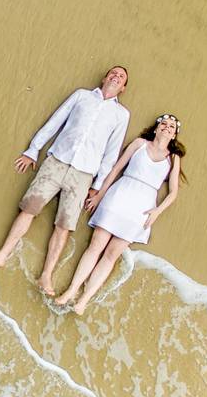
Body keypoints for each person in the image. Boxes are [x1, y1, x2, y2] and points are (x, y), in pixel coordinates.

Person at [0, 66, 131, 295]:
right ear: (104, 77)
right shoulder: (81, 95)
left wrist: (98, 186)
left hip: (83, 174)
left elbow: (112, 152)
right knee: (28, 209)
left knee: (64, 226)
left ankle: (46, 277)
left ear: (123, 87)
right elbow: (55, 121)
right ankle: (2, 255)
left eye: (121, 77)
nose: (116, 76)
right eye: (113, 73)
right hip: (57, 161)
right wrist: (33, 150)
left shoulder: (121, 115)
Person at [55, 113, 186, 314]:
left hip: (142, 208)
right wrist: (99, 195)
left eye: (171, 127)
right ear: (156, 128)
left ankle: (84, 300)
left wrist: (157, 212)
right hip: (119, 196)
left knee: (111, 255)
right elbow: (116, 169)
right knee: (95, 246)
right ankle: (71, 291)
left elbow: (173, 192)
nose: (167, 128)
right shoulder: (140, 143)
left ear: (174, 134)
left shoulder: (173, 158)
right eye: (164, 124)